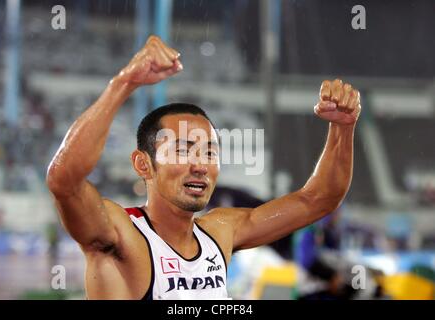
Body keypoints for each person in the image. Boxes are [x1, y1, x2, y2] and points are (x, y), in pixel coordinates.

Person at [46, 36, 361, 300]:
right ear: (143, 163)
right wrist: (124, 83)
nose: (200, 165)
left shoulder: (221, 231)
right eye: (183, 150)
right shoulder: (120, 233)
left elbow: (319, 199)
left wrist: (342, 128)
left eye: (210, 152)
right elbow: (64, 180)